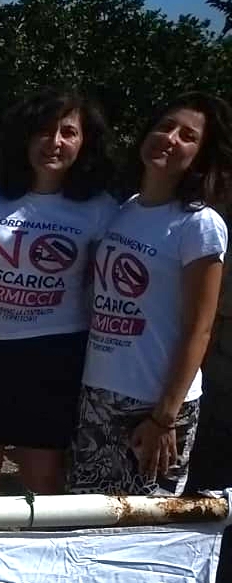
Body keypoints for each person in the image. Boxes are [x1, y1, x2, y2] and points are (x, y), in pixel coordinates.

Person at [0, 90, 117, 496]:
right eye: (44, 131)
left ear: (85, 142)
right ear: (24, 138)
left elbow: (103, 286)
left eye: (68, 132)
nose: (55, 142)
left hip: (55, 354)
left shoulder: (100, 208)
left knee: (43, 477)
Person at [70, 91, 230, 496]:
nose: (171, 138)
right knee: (84, 528)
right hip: (99, 393)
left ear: (200, 154)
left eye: (188, 136)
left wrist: (164, 417)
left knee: (142, 534)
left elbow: (200, 328)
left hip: (153, 406)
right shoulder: (122, 211)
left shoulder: (199, 225)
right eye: (165, 126)